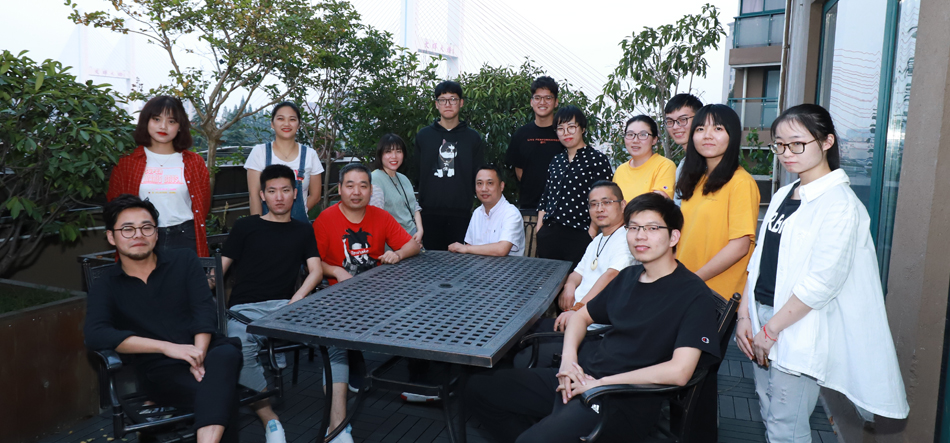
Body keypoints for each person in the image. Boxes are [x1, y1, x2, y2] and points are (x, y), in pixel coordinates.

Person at [466, 192, 721, 443]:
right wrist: (568, 363)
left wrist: (601, 383)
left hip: (622, 399)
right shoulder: (629, 276)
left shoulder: (692, 294)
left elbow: (680, 371)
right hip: (583, 377)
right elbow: (580, 317)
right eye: (634, 227)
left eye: (652, 228)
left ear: (673, 236)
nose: (640, 236)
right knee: (479, 389)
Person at [735, 104, 909, 442]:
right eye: (780, 145)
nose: (787, 153)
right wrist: (745, 316)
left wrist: (770, 331)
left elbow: (821, 284)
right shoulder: (785, 194)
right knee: (770, 413)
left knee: (786, 427)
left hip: (795, 327)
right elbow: (758, 261)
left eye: (797, 143)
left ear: (827, 141)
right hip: (761, 316)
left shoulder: (841, 205)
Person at [84, 195, 242, 443]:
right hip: (159, 369)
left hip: (208, 351)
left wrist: (197, 355)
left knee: (226, 354)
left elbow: (204, 310)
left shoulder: (184, 261)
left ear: (156, 234)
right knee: (222, 393)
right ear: (111, 237)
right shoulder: (106, 285)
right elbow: (96, 334)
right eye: (128, 229)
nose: (138, 235)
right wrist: (167, 348)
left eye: (146, 227)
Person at [221, 165, 324, 443]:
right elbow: (219, 270)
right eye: (272, 191)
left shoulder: (303, 230)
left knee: (336, 338)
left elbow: (315, 271)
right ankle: (269, 418)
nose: (279, 197)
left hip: (285, 307)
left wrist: (296, 300)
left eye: (285, 190)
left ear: (295, 194)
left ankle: (337, 419)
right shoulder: (245, 226)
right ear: (262, 195)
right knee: (237, 346)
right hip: (244, 310)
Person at [313, 163, 423, 403]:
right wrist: (335, 270)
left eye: (363, 186)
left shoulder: (380, 216)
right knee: (340, 325)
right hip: (340, 296)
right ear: (339, 189)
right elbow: (312, 262)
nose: (356, 192)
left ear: (371, 190)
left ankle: (421, 377)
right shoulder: (325, 219)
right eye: (350, 185)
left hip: (380, 293)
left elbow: (413, 245)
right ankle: (352, 363)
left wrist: (397, 254)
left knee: (419, 309)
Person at [513, 181, 636, 369]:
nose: (599, 209)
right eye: (594, 204)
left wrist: (578, 309)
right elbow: (577, 273)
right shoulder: (598, 240)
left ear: (623, 205)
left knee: (521, 357)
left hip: (593, 331)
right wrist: (569, 287)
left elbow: (611, 276)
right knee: (516, 332)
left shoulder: (626, 239)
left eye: (606, 202)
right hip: (573, 319)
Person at [107, 95, 211, 256]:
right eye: (156, 119)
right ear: (146, 121)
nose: (163, 126)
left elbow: (203, 204)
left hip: (185, 236)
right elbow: (115, 204)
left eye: (172, 121)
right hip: (141, 236)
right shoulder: (127, 162)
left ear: (180, 127)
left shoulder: (194, 162)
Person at [675, 104, 760, 300]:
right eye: (700, 129)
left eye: (718, 128)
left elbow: (740, 246)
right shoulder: (696, 180)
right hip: (686, 288)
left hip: (715, 295)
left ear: (732, 135)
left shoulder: (741, 182)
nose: (707, 135)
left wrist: (693, 279)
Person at [536, 105, 613, 269]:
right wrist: (539, 229)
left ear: (582, 129)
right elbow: (546, 196)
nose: (566, 133)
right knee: (547, 282)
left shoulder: (597, 160)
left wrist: (591, 233)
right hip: (549, 233)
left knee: (575, 282)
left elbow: (603, 199)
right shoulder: (556, 161)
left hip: (580, 233)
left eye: (571, 127)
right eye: (560, 128)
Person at [415, 80, 486, 251]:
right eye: (443, 100)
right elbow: (416, 173)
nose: (448, 104)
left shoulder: (472, 138)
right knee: (429, 263)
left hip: (461, 215)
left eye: (453, 99)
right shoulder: (424, 136)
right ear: (436, 104)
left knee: (460, 264)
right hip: (429, 214)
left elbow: (478, 174)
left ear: (461, 103)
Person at [245, 102, 324, 223]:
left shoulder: (310, 154)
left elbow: (316, 196)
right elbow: (254, 196)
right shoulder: (259, 152)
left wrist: (298, 213)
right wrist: (258, 226)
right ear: (272, 124)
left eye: (292, 119)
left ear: (298, 125)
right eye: (281, 119)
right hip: (267, 226)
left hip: (298, 226)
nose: (286, 124)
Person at [505, 76, 564, 210]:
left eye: (548, 98)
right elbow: (519, 172)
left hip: (560, 208)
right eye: (537, 98)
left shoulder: (564, 134)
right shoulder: (521, 134)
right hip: (528, 207)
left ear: (556, 102)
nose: (542, 102)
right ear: (532, 102)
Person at [448, 164, 525, 257]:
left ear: (501, 186)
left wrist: (466, 249)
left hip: (506, 266)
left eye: (490, 183)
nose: (484, 189)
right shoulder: (477, 213)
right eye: (479, 183)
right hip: (477, 266)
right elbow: (469, 245)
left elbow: (502, 249)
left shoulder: (511, 214)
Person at [369, 133, 424, 245]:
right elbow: (377, 217)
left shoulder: (403, 178)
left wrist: (420, 231)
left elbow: (415, 207)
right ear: (380, 154)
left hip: (413, 237)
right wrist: (405, 244)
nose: (394, 156)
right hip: (392, 243)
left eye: (398, 151)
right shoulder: (375, 179)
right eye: (388, 152)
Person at [611, 115, 676, 200]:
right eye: (630, 134)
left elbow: (658, 204)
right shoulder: (620, 170)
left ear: (654, 140)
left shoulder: (665, 166)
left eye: (643, 135)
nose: (635, 140)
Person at [663, 93, 703, 206]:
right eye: (670, 121)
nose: (675, 127)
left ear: (700, 120)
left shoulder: (710, 163)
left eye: (683, 119)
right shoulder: (683, 165)